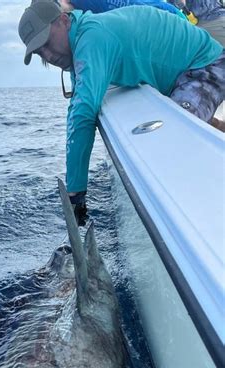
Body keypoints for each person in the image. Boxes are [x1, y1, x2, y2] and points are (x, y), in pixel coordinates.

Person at [18, 0, 224, 221]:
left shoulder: (92, 38)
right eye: (40, 53)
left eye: (47, 42)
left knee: (175, 141)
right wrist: (75, 187)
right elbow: (77, 105)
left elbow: (83, 113)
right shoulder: (80, 41)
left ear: (64, 20)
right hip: (178, 75)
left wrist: (76, 193)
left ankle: (204, 219)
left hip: (205, 66)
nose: (48, 56)